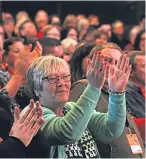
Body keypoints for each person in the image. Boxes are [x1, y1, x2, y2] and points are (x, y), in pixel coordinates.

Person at [23, 51, 131, 158]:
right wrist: (93, 88)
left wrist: (117, 93)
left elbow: (111, 129)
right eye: (52, 79)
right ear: (36, 88)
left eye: (65, 77)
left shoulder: (70, 108)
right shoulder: (33, 114)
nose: (61, 83)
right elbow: (68, 132)